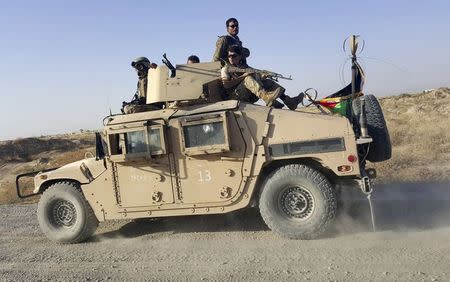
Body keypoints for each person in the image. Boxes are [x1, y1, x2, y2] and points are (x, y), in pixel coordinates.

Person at [221, 45, 302, 110]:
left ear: (239, 57)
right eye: (229, 56)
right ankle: (267, 98)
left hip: (249, 95)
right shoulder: (226, 69)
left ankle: (289, 102)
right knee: (247, 78)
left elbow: (254, 83)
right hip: (235, 97)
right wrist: (243, 76)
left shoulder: (244, 67)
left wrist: (262, 77)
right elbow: (226, 85)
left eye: (234, 56)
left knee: (268, 82)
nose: (231, 58)